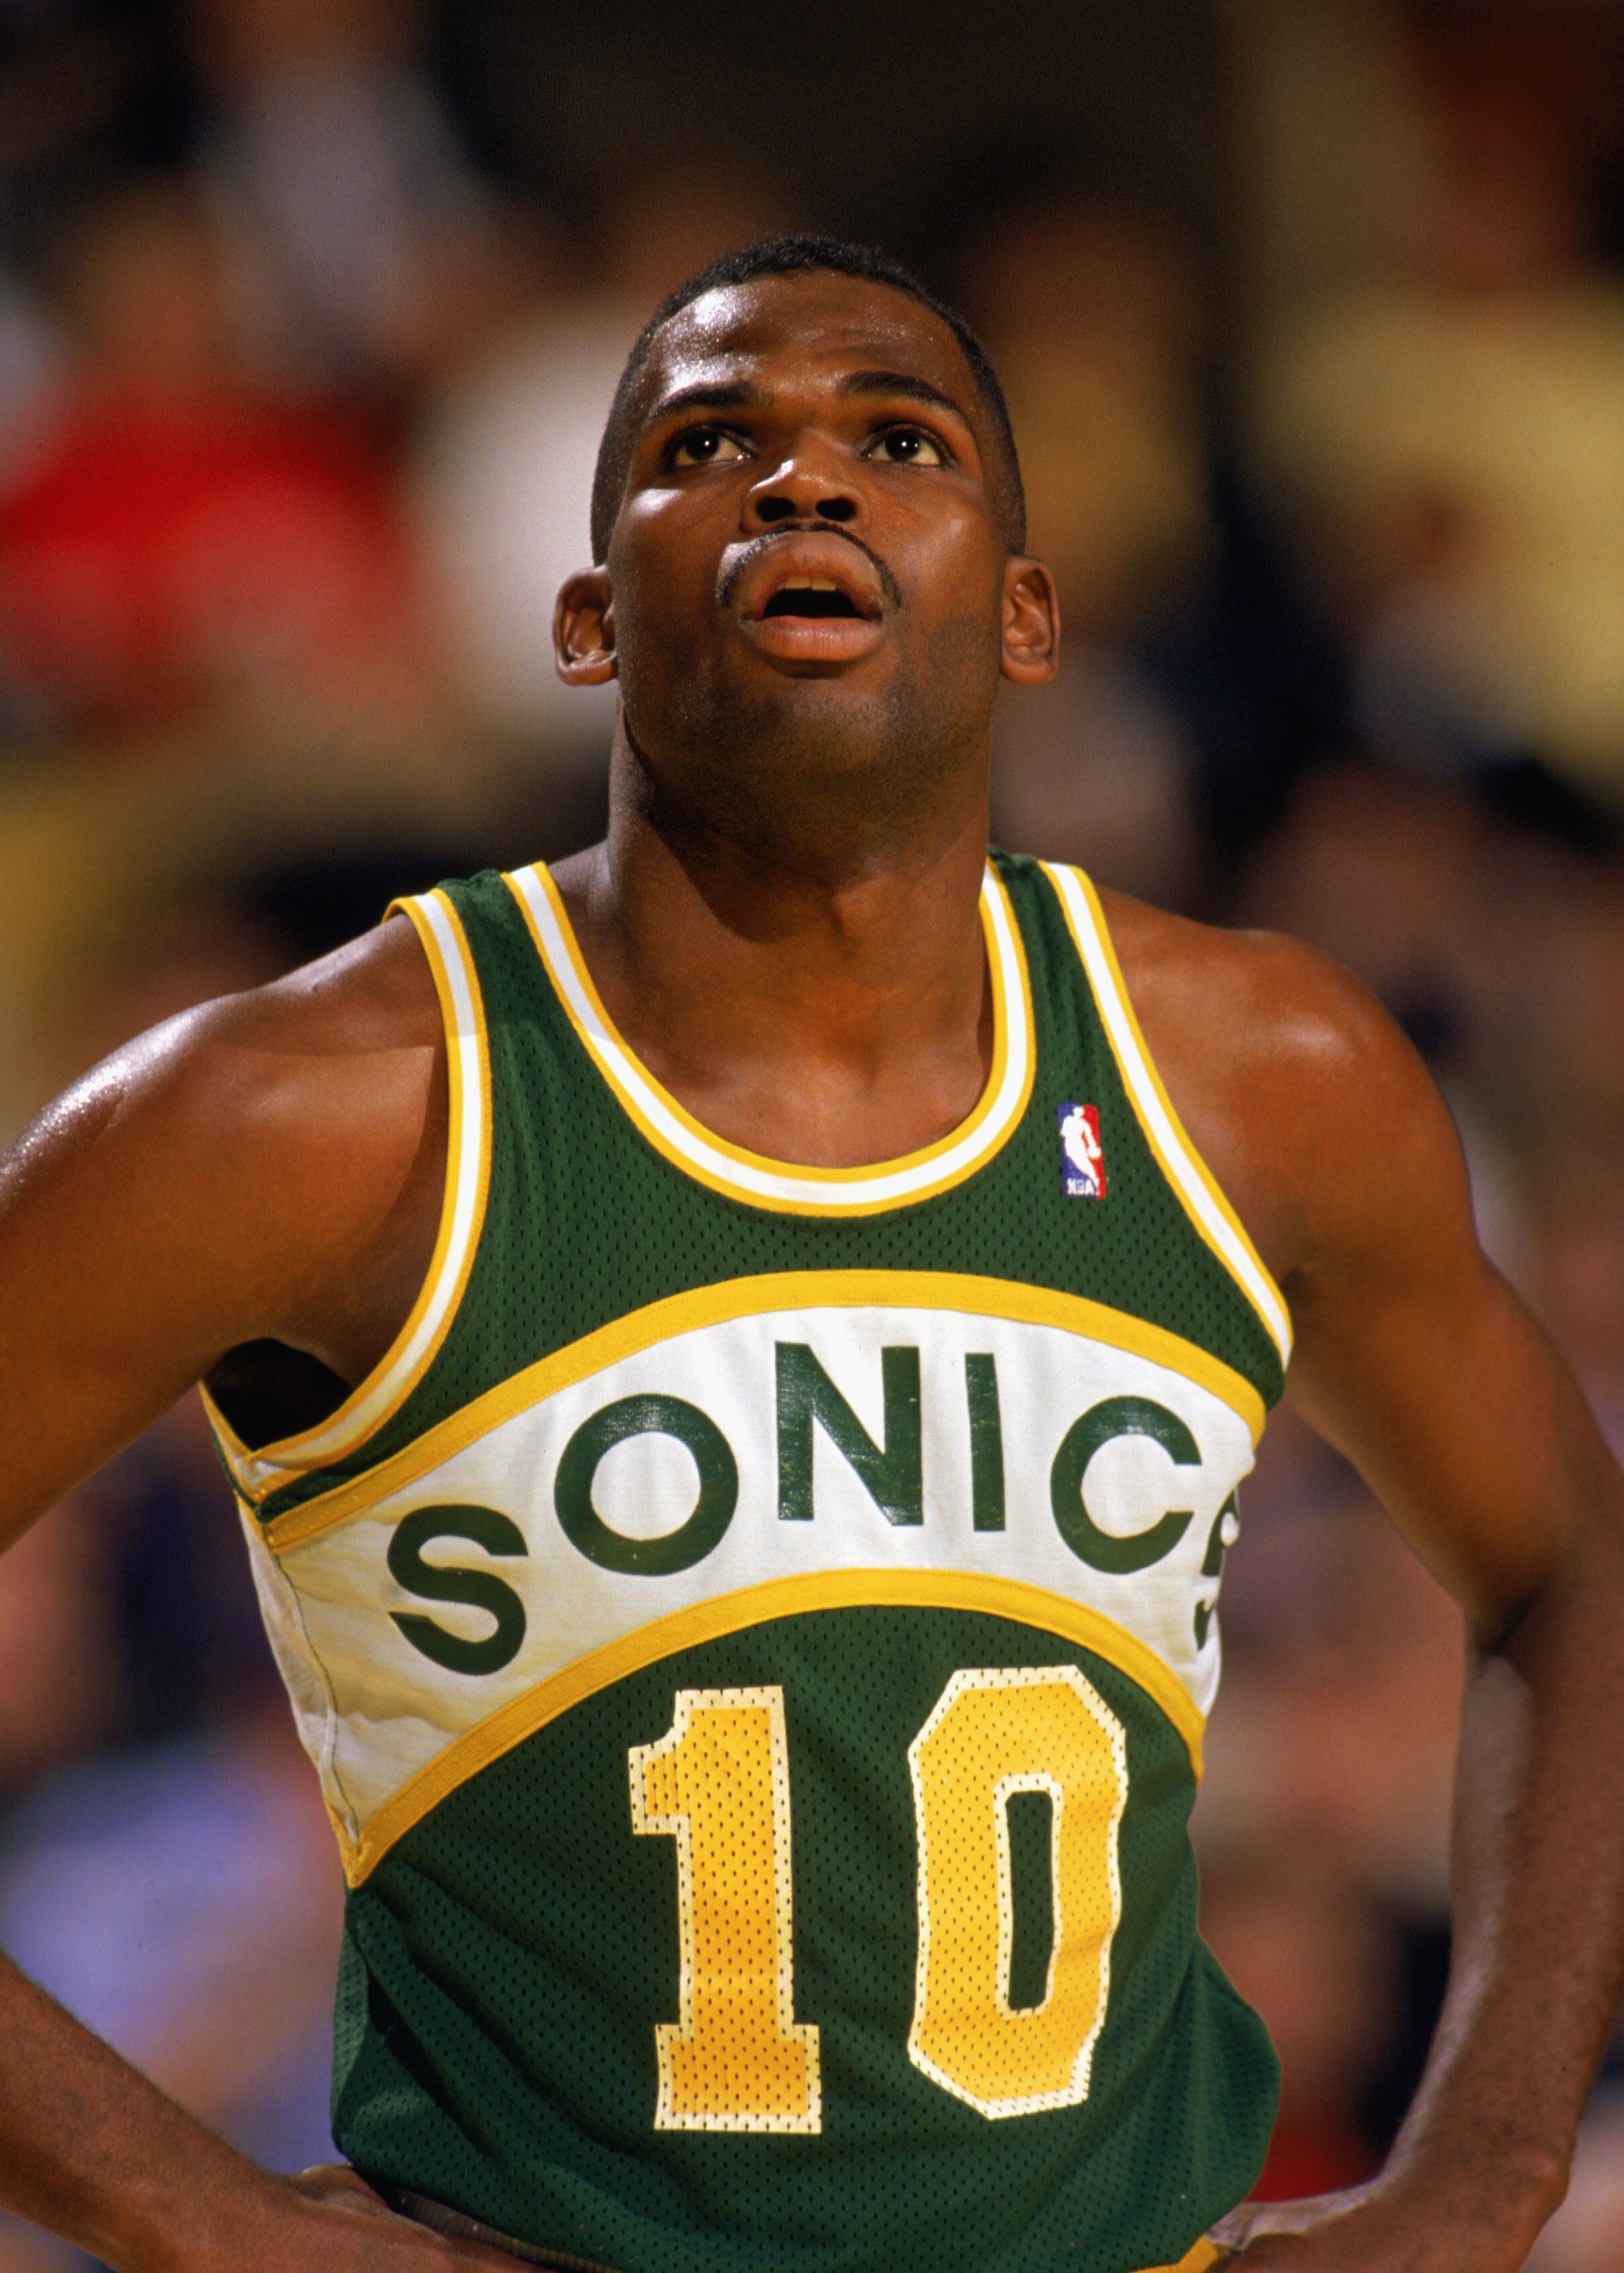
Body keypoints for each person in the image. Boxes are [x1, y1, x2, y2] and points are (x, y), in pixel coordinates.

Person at [0, 235, 1619, 2273]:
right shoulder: (303, 1107)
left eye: (899, 437)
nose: (804, 483)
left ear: (1026, 612)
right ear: (590, 619)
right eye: (710, 442)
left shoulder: (1261, 1074)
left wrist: (1486, 2165)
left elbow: (1575, 1565)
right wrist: (204, 2226)